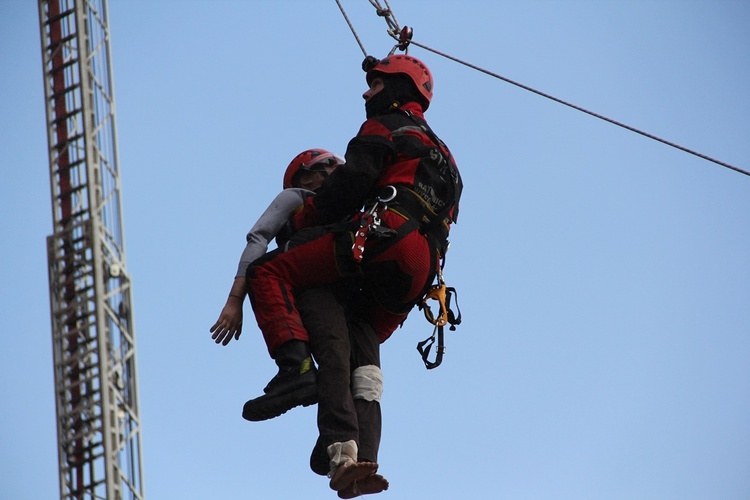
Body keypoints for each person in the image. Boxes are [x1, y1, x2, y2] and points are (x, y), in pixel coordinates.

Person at [243, 54, 463, 496]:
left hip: (383, 243)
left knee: (269, 275)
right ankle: (359, 459)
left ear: (399, 88)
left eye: (376, 85)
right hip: (416, 276)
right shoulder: (447, 158)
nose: (367, 93)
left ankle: (297, 374)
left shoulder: (383, 127)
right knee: (361, 359)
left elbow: (356, 179)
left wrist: (307, 222)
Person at [210, 147, 344, 408]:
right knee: (338, 359)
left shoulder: (346, 200)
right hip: (329, 276)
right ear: (305, 178)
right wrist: (235, 299)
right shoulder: (297, 196)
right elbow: (259, 237)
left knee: (338, 362)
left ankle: (299, 371)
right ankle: (299, 370)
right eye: (328, 165)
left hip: (329, 281)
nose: (336, 171)